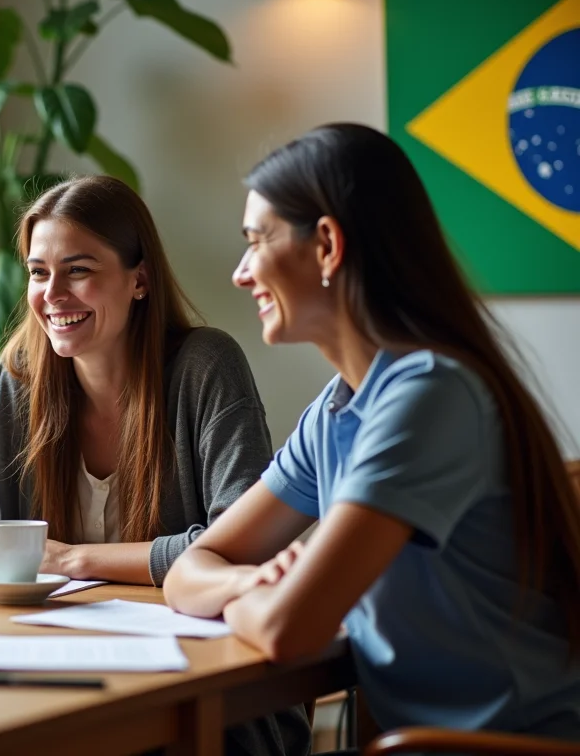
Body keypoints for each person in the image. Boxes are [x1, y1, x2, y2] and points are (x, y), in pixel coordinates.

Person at [164, 123, 580, 740]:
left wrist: (255, 598)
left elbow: (288, 628)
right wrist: (254, 581)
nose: (241, 272)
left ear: (327, 245)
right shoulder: (335, 411)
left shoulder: (430, 398)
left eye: (256, 241)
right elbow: (187, 570)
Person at [0, 175, 308, 756]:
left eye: (78, 270)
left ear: (139, 280)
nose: (52, 293)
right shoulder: (20, 381)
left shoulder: (205, 368)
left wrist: (70, 560)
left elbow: (242, 547)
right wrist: (22, 557)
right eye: (37, 272)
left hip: (199, 697)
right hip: (52, 682)